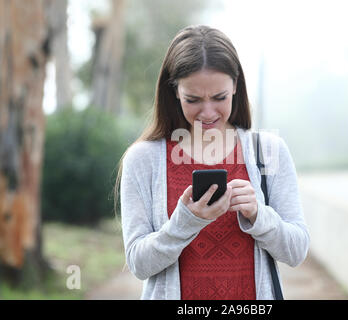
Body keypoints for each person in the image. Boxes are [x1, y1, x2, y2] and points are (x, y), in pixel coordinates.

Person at [115, 25, 310, 300]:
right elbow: (139, 264)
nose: (208, 112)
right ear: (174, 92)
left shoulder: (268, 151)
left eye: (219, 98)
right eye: (192, 99)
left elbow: (296, 251)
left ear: (235, 86)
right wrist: (186, 221)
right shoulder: (144, 159)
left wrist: (258, 214)